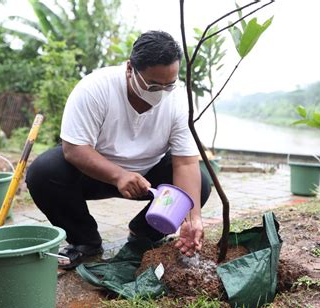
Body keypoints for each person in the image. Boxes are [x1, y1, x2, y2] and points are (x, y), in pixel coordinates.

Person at [26, 30, 211, 270]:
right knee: (43, 172)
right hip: (93, 174)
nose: (162, 93)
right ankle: (85, 241)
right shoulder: (95, 88)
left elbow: (185, 163)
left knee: (199, 187)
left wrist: (192, 218)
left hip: (149, 179)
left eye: (169, 85)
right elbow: (74, 149)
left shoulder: (178, 100)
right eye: (153, 85)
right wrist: (119, 175)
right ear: (129, 69)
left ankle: (143, 235)